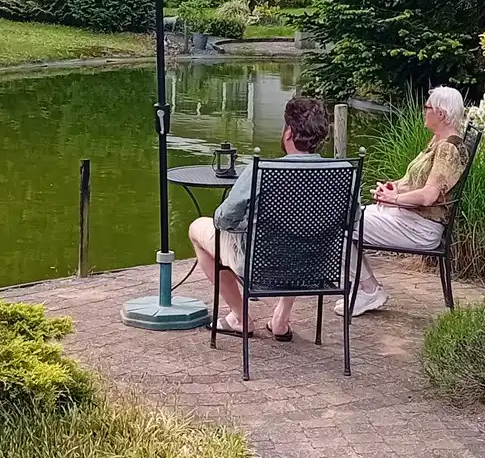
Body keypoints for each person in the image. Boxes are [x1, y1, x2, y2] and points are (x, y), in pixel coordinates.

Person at [189, 95, 332, 340]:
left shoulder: (261, 170)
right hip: (314, 267)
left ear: (288, 133)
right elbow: (352, 222)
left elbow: (223, 219)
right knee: (302, 235)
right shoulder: (342, 173)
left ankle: (239, 317)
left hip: (259, 267)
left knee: (197, 229)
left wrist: (250, 224)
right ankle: (280, 320)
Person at [339, 86, 469, 316]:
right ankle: (364, 288)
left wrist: (395, 199)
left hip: (421, 229)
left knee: (339, 225)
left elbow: (429, 196)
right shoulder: (438, 141)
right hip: (409, 218)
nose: (424, 111)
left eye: (427, 107)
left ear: (440, 113)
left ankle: (368, 290)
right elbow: (415, 180)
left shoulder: (448, 149)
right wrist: (394, 187)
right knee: (346, 216)